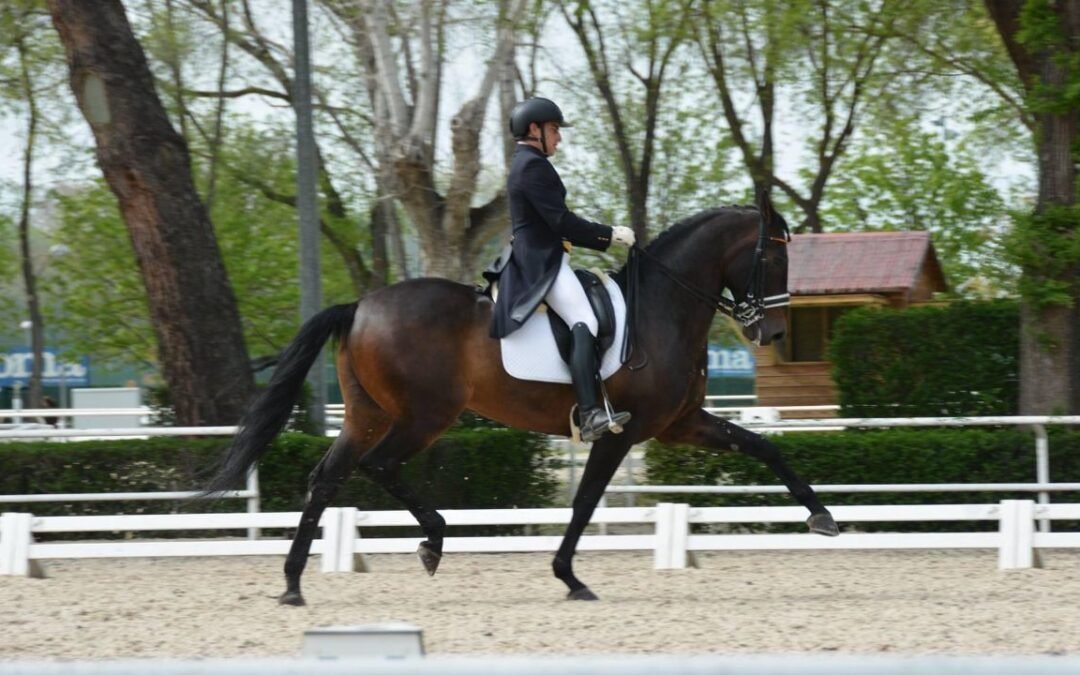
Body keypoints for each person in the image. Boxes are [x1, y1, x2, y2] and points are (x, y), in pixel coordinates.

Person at [490, 96, 635, 443]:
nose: (559, 138)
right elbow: (561, 222)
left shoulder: (525, 164)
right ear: (534, 129)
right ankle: (589, 413)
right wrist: (609, 234)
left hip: (542, 256)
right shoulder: (533, 166)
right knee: (585, 319)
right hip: (541, 262)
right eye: (554, 129)